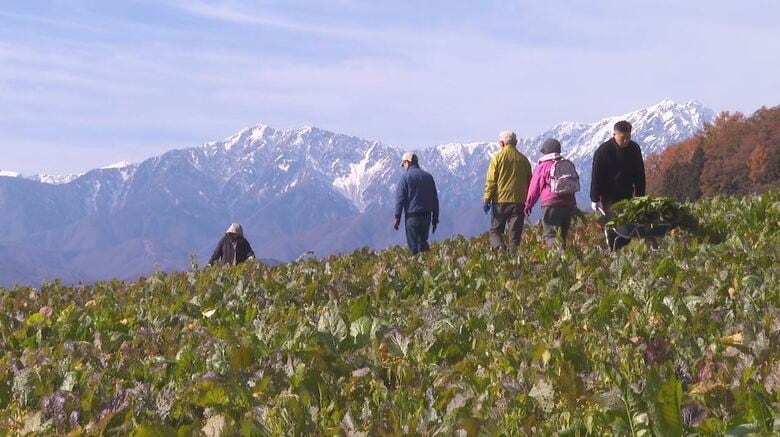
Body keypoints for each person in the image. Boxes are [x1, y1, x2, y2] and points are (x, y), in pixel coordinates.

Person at [590, 120, 646, 250]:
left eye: (628, 137)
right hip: (608, 195)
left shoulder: (634, 149)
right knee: (614, 224)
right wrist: (594, 198)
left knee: (627, 226)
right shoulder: (603, 151)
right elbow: (596, 175)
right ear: (614, 135)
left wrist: (640, 195)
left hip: (627, 193)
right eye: (622, 138)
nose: (625, 141)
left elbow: (639, 174)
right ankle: (612, 249)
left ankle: (619, 246)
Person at [525, 138, 579, 249]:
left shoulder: (543, 166)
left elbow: (534, 188)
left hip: (551, 204)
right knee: (562, 236)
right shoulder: (566, 164)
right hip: (568, 205)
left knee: (550, 235)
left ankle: (558, 259)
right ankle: (564, 261)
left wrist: (528, 204)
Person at [483, 131, 532, 251]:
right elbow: (530, 181)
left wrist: (487, 199)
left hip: (500, 201)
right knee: (514, 233)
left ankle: (499, 248)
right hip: (519, 201)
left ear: (502, 143)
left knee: (495, 231)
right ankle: (513, 258)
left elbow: (491, 181)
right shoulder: (524, 160)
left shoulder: (497, 158)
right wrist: (528, 201)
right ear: (515, 143)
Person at [394, 152, 440, 254]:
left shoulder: (405, 178)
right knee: (423, 243)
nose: (404, 167)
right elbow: (435, 199)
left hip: (412, 217)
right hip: (426, 216)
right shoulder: (428, 177)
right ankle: (427, 265)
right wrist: (435, 218)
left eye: (404, 164)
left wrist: (397, 217)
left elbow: (400, 199)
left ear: (408, 162)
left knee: (413, 246)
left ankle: (416, 266)